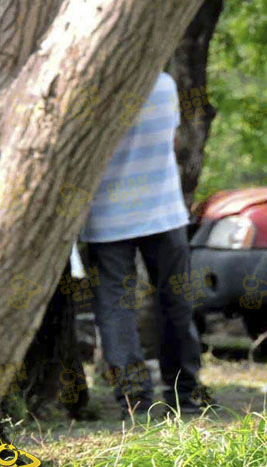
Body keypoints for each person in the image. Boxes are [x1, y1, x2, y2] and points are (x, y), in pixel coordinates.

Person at [80, 72, 207, 417]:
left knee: (115, 309)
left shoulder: (89, 88)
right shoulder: (164, 84)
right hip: (163, 211)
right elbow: (175, 142)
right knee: (175, 302)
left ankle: (134, 399)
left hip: (106, 217)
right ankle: (186, 393)